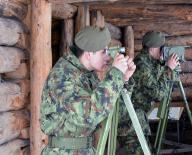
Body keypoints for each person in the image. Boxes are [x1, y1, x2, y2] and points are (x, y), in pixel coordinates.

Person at [40, 26, 136, 155]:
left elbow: (113, 112)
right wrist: (115, 75)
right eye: (104, 52)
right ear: (89, 54)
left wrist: (123, 80)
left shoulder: (86, 75)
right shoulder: (61, 77)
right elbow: (90, 114)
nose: (108, 58)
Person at [118, 31, 179, 155]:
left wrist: (169, 68)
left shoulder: (151, 62)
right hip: (129, 122)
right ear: (153, 48)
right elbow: (159, 94)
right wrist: (168, 69)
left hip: (137, 118)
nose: (163, 51)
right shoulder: (142, 65)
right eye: (162, 48)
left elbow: (170, 88)